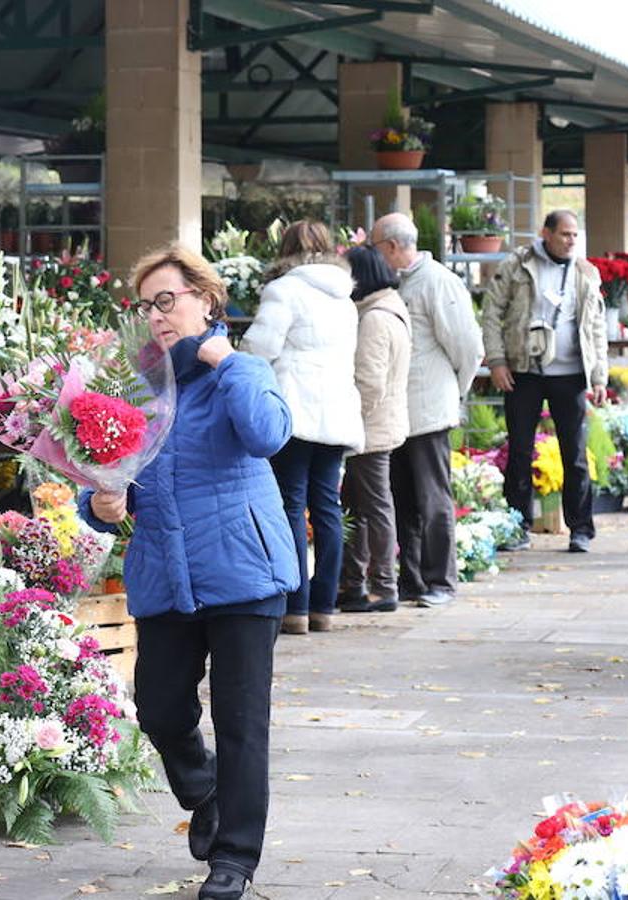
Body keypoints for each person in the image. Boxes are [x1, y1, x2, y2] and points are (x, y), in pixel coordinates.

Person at [78, 243, 298, 900]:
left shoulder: (246, 370)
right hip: (164, 575)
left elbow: (268, 436)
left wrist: (225, 364)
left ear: (206, 299)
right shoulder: (136, 392)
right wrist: (102, 502)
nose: (158, 316)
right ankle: (204, 792)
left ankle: (234, 857)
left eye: (168, 300)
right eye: (148, 306)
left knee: (240, 723)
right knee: (158, 709)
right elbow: (101, 483)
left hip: (243, 573)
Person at [241, 221, 364, 635]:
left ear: (286, 249)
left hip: (295, 408)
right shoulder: (345, 297)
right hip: (337, 408)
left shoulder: (285, 290)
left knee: (292, 503)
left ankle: (296, 606)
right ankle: (324, 605)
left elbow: (260, 349)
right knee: (327, 505)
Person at [371, 213, 484, 607]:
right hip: (400, 411)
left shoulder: (438, 281)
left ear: (391, 247)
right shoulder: (395, 284)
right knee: (404, 499)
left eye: (376, 246)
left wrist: (453, 392)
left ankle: (441, 580)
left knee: (433, 498)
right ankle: (413, 580)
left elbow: (468, 347)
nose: (373, 254)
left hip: (429, 409)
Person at [481, 209, 608, 552]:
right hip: (524, 372)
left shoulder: (585, 272)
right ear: (546, 233)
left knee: (575, 454)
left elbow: (596, 326)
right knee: (520, 450)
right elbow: (491, 313)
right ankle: (516, 525)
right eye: (565, 234)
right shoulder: (517, 264)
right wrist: (496, 361)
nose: (570, 241)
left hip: (571, 374)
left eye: (574, 235)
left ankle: (580, 529)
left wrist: (599, 376)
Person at [338, 246, 411, 614]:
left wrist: (349, 421)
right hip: (379, 425)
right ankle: (355, 583)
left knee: (374, 506)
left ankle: (383, 586)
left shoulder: (375, 319)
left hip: (371, 429)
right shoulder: (387, 309)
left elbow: (369, 382)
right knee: (359, 506)